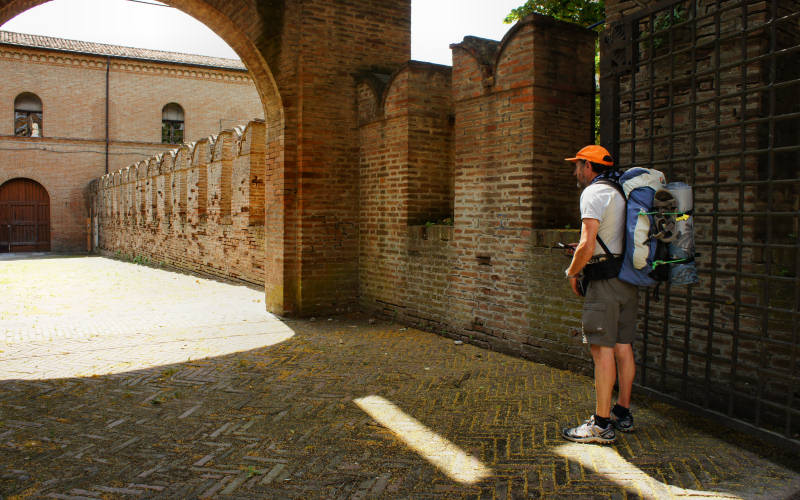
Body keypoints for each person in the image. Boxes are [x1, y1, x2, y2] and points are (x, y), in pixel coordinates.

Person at [561, 145, 638, 445]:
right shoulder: (620, 192)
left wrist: (572, 271)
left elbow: (587, 244)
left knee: (601, 350)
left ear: (588, 166)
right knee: (623, 345)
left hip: (604, 282)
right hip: (627, 279)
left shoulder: (593, 194)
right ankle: (622, 413)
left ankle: (601, 425)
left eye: (577, 165)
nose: (575, 171)